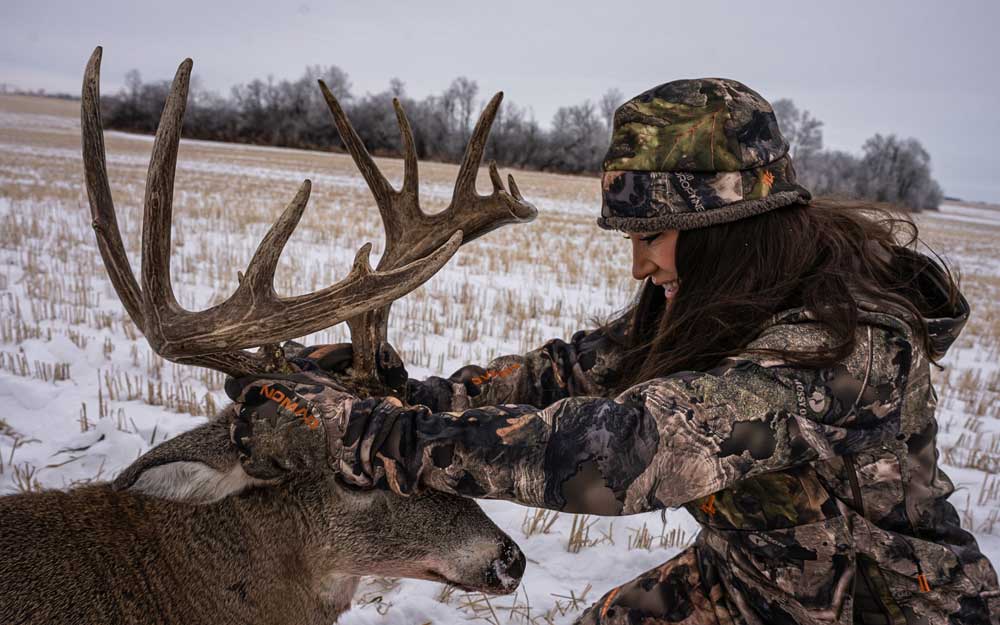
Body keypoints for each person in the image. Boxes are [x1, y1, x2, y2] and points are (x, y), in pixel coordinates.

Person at [226, 78, 1000, 625]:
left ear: (725, 231)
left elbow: (616, 453)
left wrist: (365, 433)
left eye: (652, 237)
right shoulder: (720, 299)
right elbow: (563, 375)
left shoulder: (838, 350)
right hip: (758, 585)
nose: (640, 266)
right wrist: (406, 395)